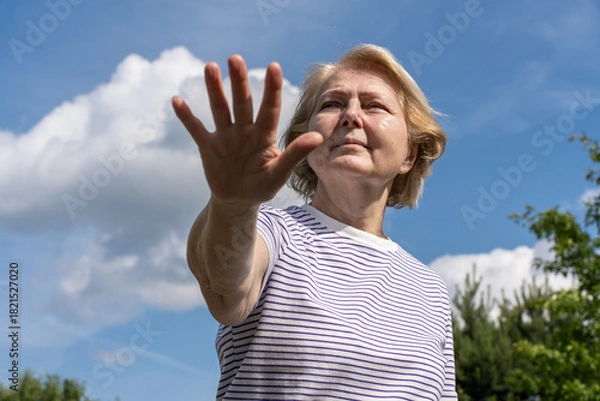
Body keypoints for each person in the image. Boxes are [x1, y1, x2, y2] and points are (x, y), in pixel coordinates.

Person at [172, 44, 457, 400]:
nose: (351, 115)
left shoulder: (430, 290)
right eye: (332, 104)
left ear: (409, 154)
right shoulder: (272, 234)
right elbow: (225, 290)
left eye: (374, 105)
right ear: (305, 143)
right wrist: (233, 203)